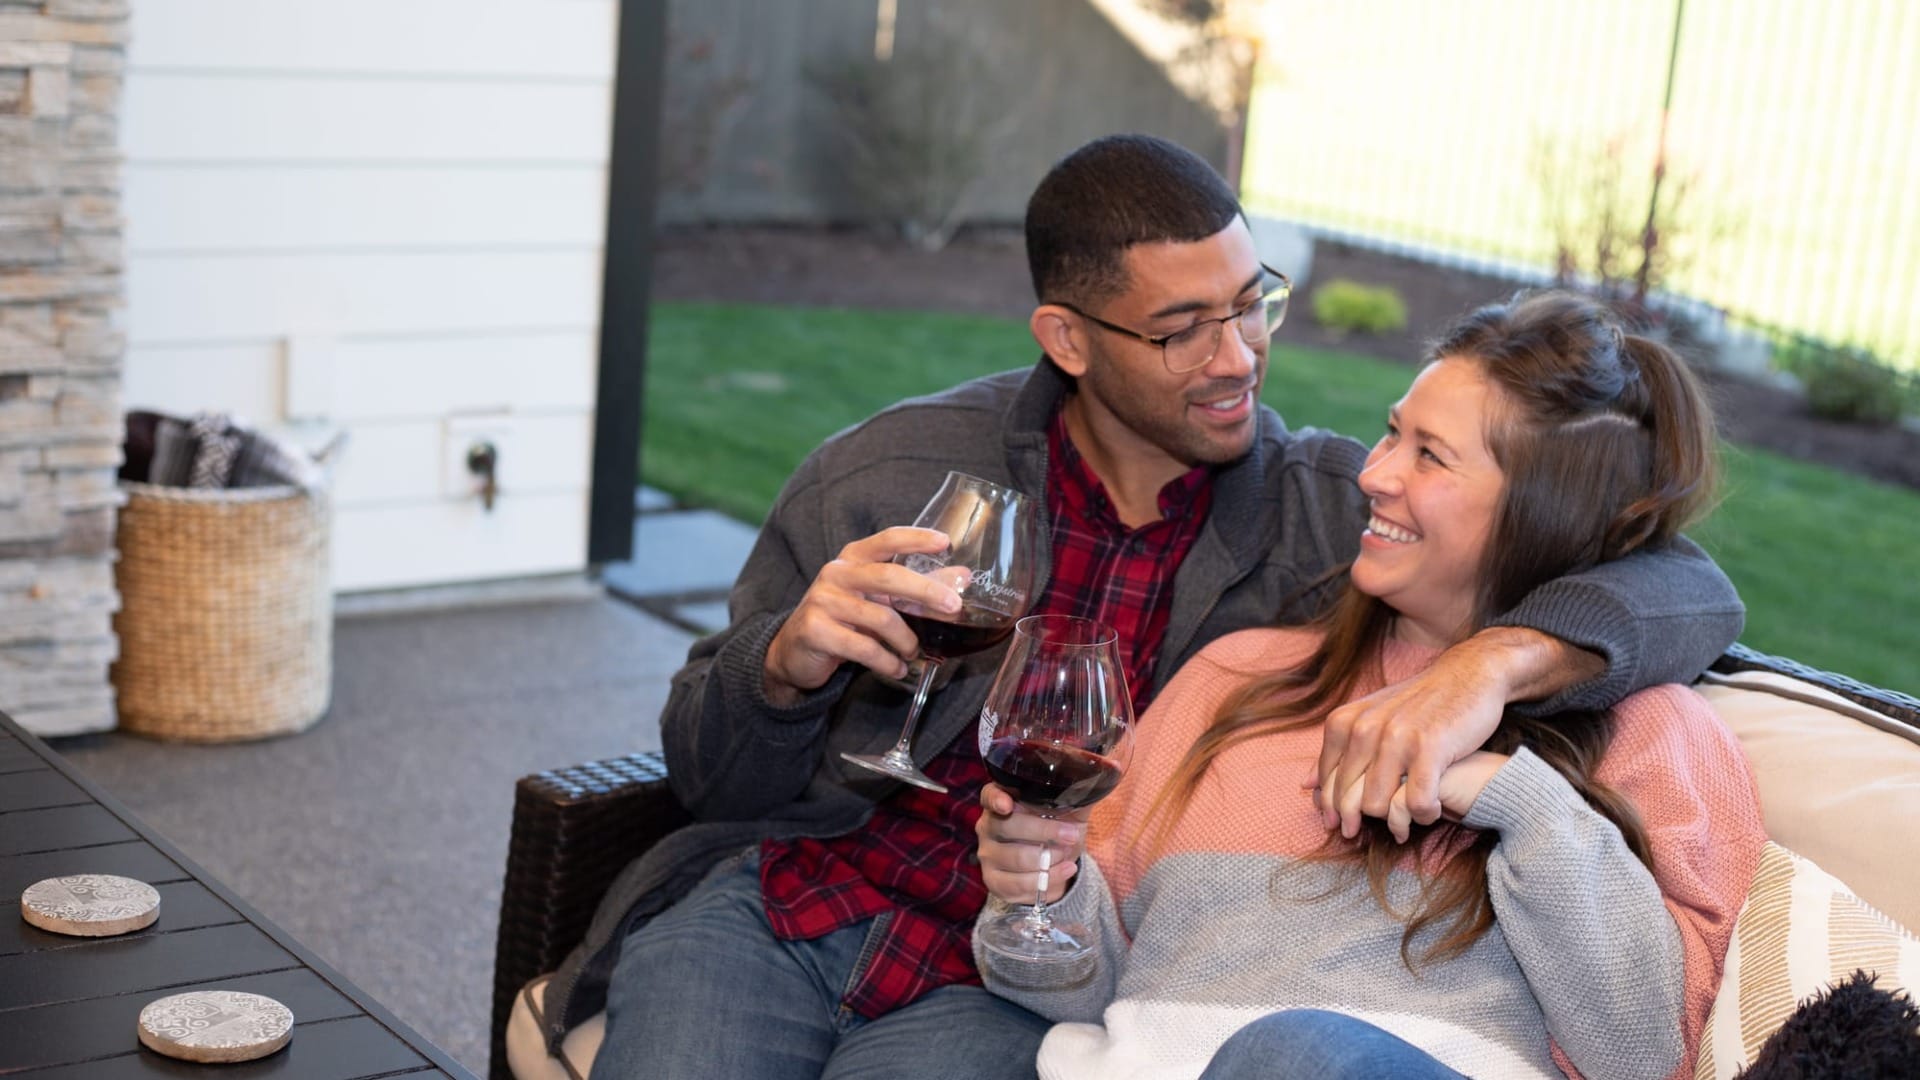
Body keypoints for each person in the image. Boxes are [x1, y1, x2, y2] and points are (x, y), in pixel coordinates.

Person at [547, 134, 1745, 1079]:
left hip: (998, 979)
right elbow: (706, 774)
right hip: (797, 898)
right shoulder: (888, 474)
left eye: (1250, 303)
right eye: (1180, 330)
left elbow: (1680, 580)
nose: (1235, 358)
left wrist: (1485, 668)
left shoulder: (1333, 518)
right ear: (1067, 338)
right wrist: (780, 670)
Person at [973, 290, 1769, 1080]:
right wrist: (1040, 893)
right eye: (1393, 432)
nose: (1374, 473)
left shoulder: (1659, 735)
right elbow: (1086, 995)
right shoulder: (1235, 678)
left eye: (1430, 455)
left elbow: (1644, 1054)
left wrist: (1508, 796)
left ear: (1542, 514)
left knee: (1297, 1055)